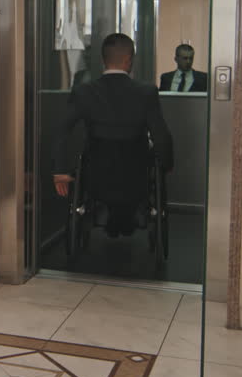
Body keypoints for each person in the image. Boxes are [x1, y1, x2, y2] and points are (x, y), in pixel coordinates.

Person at [52, 33, 173, 237]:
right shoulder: (146, 92)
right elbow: (160, 135)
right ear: (129, 60)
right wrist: (167, 164)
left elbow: (61, 130)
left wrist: (60, 171)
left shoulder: (84, 92)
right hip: (136, 177)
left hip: (95, 177)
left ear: (103, 60)